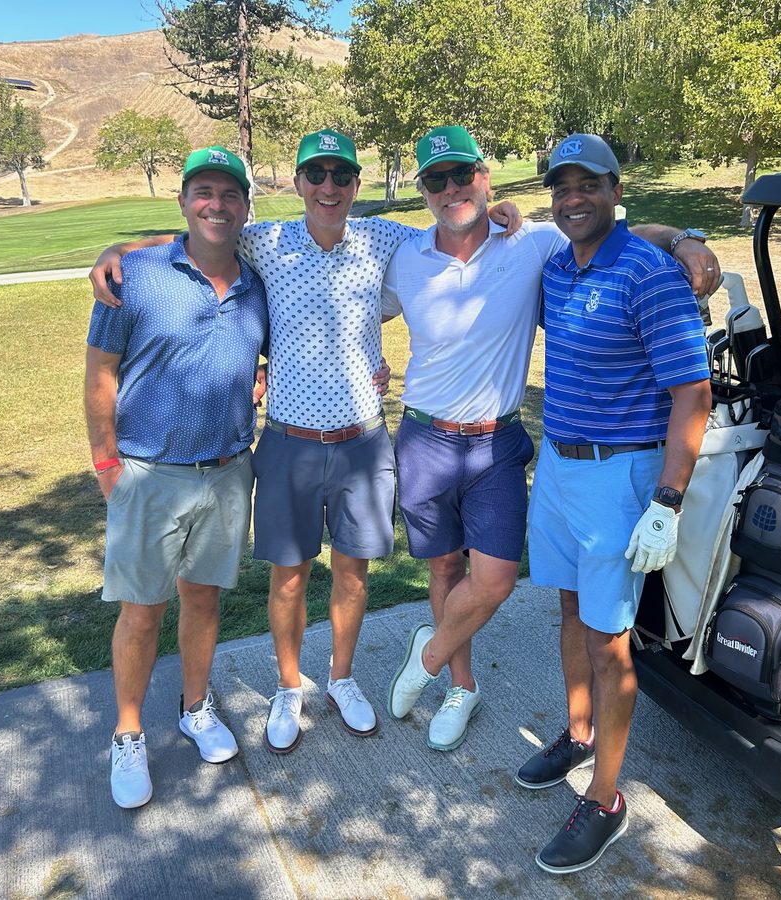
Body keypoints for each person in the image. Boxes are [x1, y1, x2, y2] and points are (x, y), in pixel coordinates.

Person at [88, 130, 520, 755]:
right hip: (287, 442)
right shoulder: (267, 240)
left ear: (354, 184)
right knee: (288, 578)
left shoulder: (385, 237)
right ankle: (290, 685)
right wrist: (122, 247)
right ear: (296, 184)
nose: (328, 187)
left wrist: (508, 212)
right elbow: (199, 237)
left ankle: (341, 677)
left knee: (352, 573)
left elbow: (454, 231)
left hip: (363, 443)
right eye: (315, 174)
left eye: (341, 176)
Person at [383, 126, 719, 755]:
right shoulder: (423, 255)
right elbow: (343, 307)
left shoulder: (535, 243)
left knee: (512, 588)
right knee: (461, 573)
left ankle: (430, 653)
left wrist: (684, 238)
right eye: (436, 179)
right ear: (424, 189)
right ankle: (488, 695)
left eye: (462, 174)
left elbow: (615, 239)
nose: (451, 188)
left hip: (523, 448)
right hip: (440, 439)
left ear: (485, 177)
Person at [517, 134, 712, 874]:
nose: (573, 198)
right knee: (569, 611)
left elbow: (692, 392)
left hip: (619, 478)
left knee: (608, 639)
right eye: (561, 187)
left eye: (587, 185)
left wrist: (666, 498)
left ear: (613, 186)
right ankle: (579, 733)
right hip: (562, 467)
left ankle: (605, 799)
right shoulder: (559, 268)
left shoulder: (648, 274)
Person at [85, 146, 267, 809]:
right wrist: (107, 463)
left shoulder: (256, 280)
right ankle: (128, 733)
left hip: (225, 471)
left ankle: (195, 708)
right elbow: (100, 374)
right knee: (142, 612)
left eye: (229, 193)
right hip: (147, 473)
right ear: (184, 201)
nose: (215, 204)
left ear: (246, 205)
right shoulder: (132, 275)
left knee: (203, 601)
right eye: (203, 192)